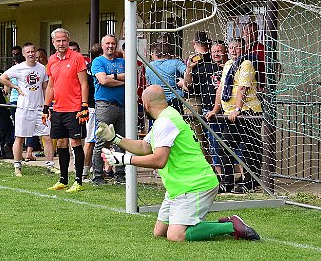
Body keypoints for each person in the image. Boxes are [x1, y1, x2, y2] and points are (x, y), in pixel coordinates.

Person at [96, 85, 260, 242]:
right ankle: (221, 223)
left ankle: (230, 226)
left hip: (195, 185)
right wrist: (114, 138)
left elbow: (159, 160)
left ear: (146, 104)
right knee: (160, 232)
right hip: (179, 187)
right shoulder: (167, 116)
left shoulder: (164, 122)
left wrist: (125, 160)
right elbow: (145, 147)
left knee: (176, 236)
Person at [206, 38, 263, 194]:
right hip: (229, 114)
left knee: (249, 149)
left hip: (247, 113)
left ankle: (250, 182)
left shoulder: (246, 64)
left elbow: (242, 88)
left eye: (236, 47)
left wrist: (238, 109)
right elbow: (221, 89)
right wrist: (215, 109)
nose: (233, 50)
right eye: (230, 47)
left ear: (243, 48)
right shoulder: (228, 65)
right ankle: (227, 182)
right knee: (224, 146)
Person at [0, 43, 58, 177]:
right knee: (19, 137)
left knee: (47, 136)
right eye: (28, 52)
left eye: (33, 51)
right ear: (24, 54)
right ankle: (17, 166)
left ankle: (50, 165)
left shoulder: (42, 68)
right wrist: (15, 87)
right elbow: (2, 78)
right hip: (24, 108)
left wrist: (46, 106)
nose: (31, 54)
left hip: (39, 108)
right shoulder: (18, 68)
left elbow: (45, 87)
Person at [43, 28, 89, 193]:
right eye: (58, 41)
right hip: (58, 109)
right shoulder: (51, 60)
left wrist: (84, 105)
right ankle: (63, 179)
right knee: (61, 143)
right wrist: (45, 107)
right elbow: (51, 86)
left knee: (75, 142)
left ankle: (78, 181)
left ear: (68, 41)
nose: (61, 43)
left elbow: (84, 83)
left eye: (64, 40)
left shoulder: (77, 58)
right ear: (53, 42)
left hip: (75, 108)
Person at [91, 34, 125, 185]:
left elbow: (133, 77)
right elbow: (103, 80)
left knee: (121, 142)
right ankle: (97, 176)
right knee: (101, 141)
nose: (110, 46)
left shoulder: (123, 62)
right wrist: (123, 81)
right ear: (102, 46)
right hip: (105, 106)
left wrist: (114, 76)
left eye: (113, 43)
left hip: (123, 106)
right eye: (107, 43)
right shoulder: (98, 61)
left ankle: (120, 174)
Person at [203, 41, 228, 184]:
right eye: (214, 52)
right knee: (214, 144)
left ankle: (238, 175)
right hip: (209, 110)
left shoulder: (231, 67)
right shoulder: (206, 68)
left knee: (231, 144)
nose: (216, 54)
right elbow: (189, 85)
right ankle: (220, 176)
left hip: (226, 111)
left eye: (219, 51)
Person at [146, 42, 186, 114]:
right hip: (174, 101)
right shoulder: (176, 63)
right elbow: (187, 72)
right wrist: (183, 82)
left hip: (157, 102)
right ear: (168, 54)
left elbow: (148, 85)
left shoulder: (149, 67)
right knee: (176, 124)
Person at [82, 43, 103, 182]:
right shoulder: (96, 68)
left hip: (92, 106)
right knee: (91, 140)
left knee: (94, 140)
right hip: (93, 106)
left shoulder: (87, 68)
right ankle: (84, 171)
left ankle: (90, 169)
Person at [242, 22, 265, 92]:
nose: (250, 34)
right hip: (242, 88)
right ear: (243, 33)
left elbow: (278, 68)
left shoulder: (263, 49)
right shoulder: (239, 48)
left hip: (258, 90)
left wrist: (266, 87)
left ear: (258, 34)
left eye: (253, 31)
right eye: (247, 31)